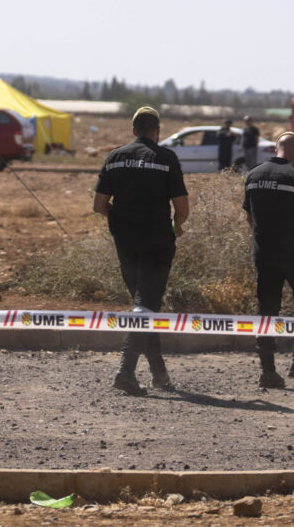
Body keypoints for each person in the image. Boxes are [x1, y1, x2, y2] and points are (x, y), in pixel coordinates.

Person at [93, 107, 190, 396]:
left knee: (144, 306)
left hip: (125, 241)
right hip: (157, 241)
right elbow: (182, 208)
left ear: (133, 130)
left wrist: (119, 219)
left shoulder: (115, 157)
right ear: (157, 131)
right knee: (146, 305)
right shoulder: (165, 158)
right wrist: (176, 225)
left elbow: (98, 205)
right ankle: (125, 371)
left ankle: (159, 374)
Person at [242, 132, 294, 388]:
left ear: (276, 148)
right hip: (293, 253)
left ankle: (267, 371)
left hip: (263, 253)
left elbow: (249, 217)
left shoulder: (253, 175)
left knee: (267, 310)